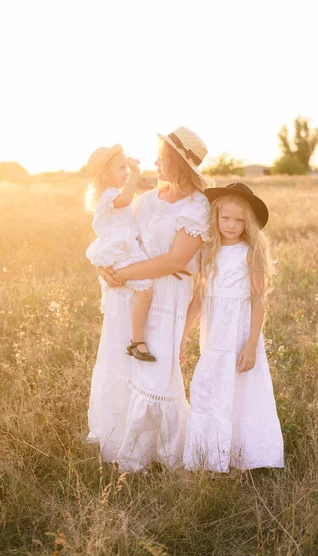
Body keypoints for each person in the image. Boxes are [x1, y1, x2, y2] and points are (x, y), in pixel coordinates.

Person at [88, 127, 210, 473]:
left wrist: (124, 273)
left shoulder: (198, 207)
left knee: (156, 372)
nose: (156, 162)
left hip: (167, 298)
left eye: (162, 156)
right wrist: (105, 268)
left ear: (179, 163)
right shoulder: (148, 199)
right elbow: (119, 235)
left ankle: (159, 453)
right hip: (129, 294)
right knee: (123, 365)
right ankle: (120, 444)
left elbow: (175, 261)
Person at [180, 183, 284, 472]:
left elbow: (257, 300)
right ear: (215, 216)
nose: (232, 225)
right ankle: (208, 456)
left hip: (240, 335)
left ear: (247, 222)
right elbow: (199, 300)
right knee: (208, 388)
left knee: (241, 391)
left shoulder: (249, 252)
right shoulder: (206, 251)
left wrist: (251, 345)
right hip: (214, 336)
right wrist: (181, 337)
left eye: (239, 220)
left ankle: (244, 454)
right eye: (226, 218)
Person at [85, 143, 155, 361]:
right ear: (106, 174)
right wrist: (136, 174)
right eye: (121, 168)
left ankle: (135, 338)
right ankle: (137, 340)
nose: (126, 172)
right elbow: (125, 200)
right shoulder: (109, 195)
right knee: (145, 290)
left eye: (127, 168)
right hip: (121, 253)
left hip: (123, 250)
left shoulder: (108, 194)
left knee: (140, 293)